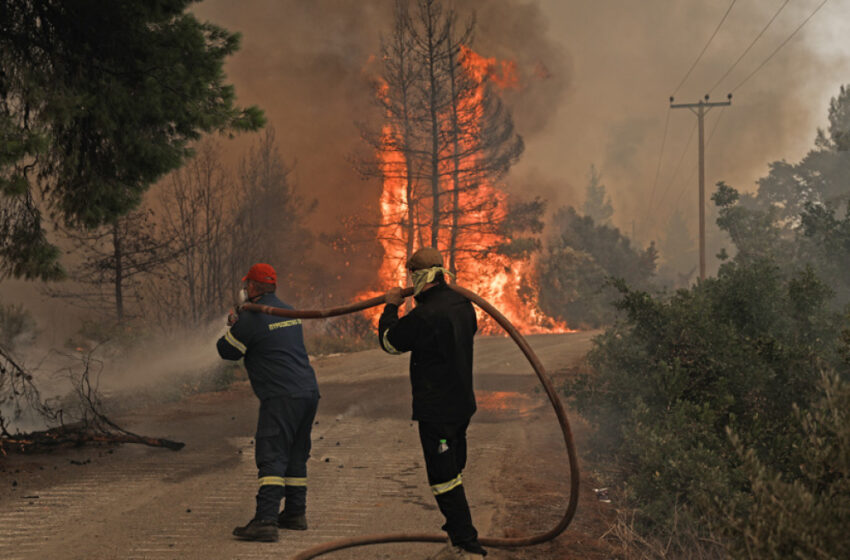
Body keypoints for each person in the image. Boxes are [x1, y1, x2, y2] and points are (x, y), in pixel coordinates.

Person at [378, 247, 487, 559]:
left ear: (418, 277)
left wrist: (390, 308)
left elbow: (390, 342)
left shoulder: (425, 315)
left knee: (443, 477)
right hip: (462, 404)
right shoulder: (464, 304)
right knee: (454, 467)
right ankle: (456, 536)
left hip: (436, 409)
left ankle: (467, 542)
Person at [216, 262, 320, 543]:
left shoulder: (251, 319)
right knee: (296, 453)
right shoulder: (289, 312)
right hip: (308, 392)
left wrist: (233, 324)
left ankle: (265, 520)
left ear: (251, 287)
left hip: (281, 396)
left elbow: (227, 351)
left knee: (272, 454)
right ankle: (295, 513)